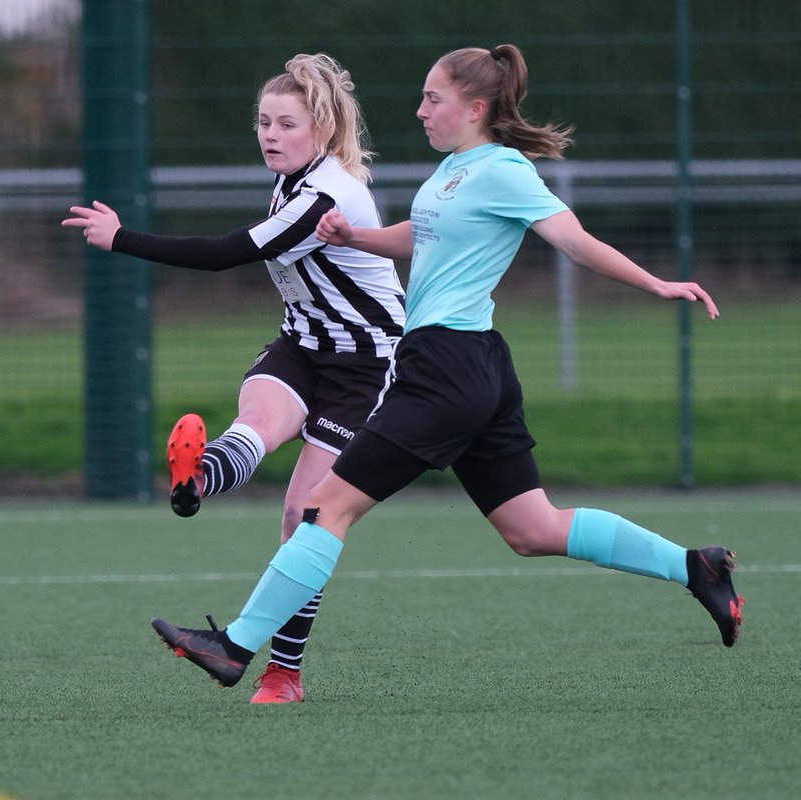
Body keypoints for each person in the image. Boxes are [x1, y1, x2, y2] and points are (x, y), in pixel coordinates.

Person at [150, 43, 744, 691]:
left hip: (445, 369)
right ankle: (697, 567)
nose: (420, 110)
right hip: (477, 365)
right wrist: (357, 239)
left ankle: (236, 647)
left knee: (324, 510)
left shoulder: (504, 170)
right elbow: (422, 235)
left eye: (433, 99)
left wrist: (657, 285)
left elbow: (574, 240)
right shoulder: (456, 170)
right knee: (532, 528)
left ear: (476, 107)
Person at [63, 53, 406, 703]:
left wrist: (122, 239)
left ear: (323, 130)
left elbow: (224, 255)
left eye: (286, 124)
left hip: (365, 368)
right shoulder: (290, 181)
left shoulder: (327, 195)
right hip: (303, 346)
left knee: (303, 517)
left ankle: (284, 674)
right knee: (254, 425)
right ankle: (195, 478)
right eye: (262, 122)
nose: (270, 135)